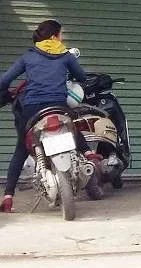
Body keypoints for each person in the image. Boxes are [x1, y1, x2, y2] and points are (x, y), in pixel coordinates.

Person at [0, 20, 87, 214]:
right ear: (55, 36)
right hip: (58, 105)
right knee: (72, 129)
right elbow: (82, 76)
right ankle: (89, 154)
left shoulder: (29, 56)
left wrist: (6, 93)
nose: (62, 38)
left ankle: (8, 197)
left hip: (32, 109)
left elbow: (4, 80)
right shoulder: (65, 55)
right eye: (61, 34)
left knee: (21, 150)